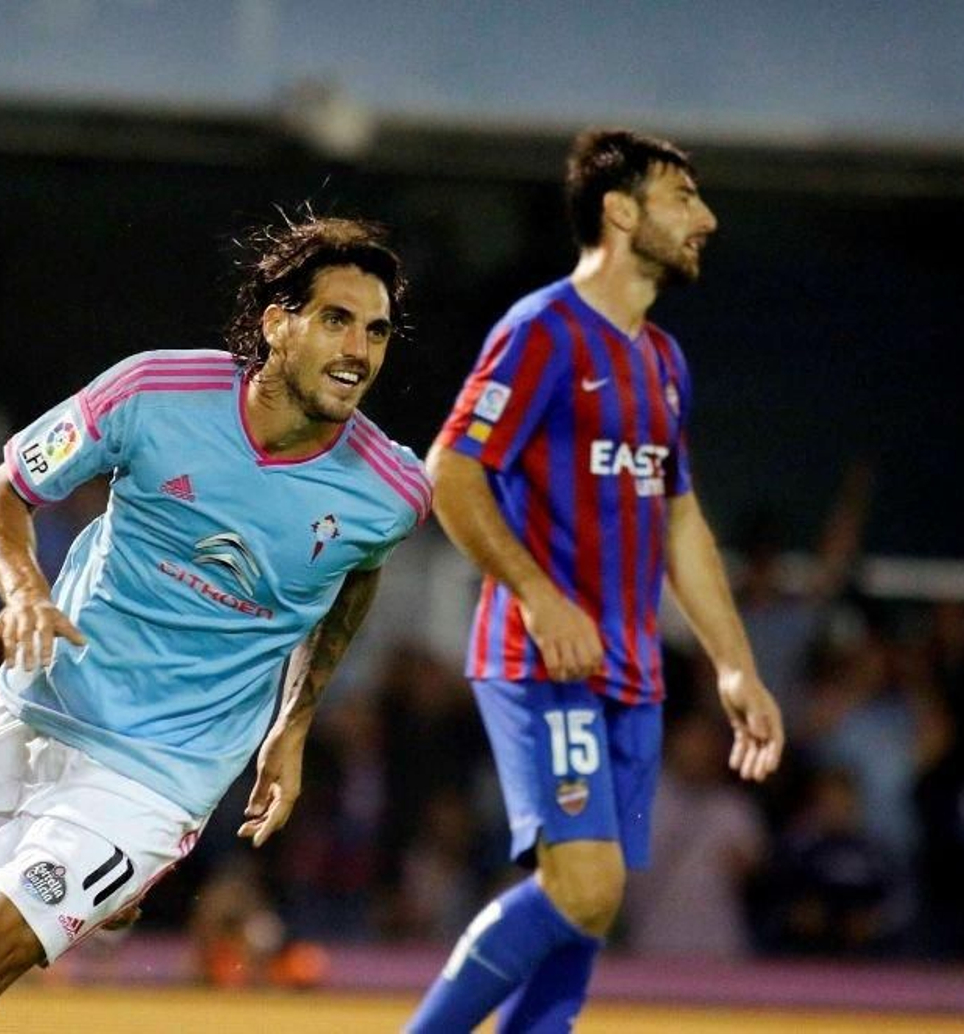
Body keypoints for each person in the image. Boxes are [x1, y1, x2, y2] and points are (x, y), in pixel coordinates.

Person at [0, 213, 430, 1033]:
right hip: (42, 701)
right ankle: (102, 896)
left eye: (376, 331)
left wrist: (293, 722)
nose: (359, 351)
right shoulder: (152, 393)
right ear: (277, 322)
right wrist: (25, 592)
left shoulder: (390, 491)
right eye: (336, 319)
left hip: (163, 768)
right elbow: (4, 491)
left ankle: (107, 873)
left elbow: (352, 580)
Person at [408, 128, 785, 1033]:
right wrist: (540, 597)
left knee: (587, 910)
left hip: (636, 677)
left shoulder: (663, 361)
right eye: (683, 197)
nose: (708, 218)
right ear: (619, 210)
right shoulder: (542, 330)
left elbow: (680, 519)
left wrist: (734, 665)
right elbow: (450, 472)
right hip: (543, 660)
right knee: (586, 883)